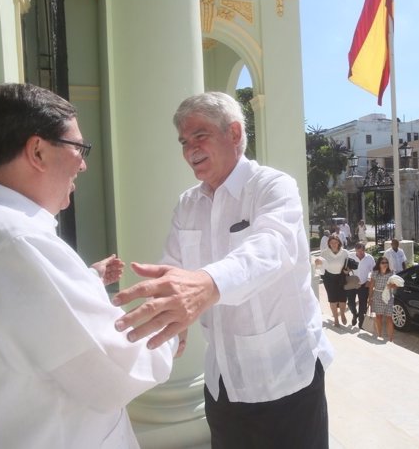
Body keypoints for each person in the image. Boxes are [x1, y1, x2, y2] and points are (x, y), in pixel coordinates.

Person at [0, 83, 182, 449]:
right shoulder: (14, 242)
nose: (83, 164)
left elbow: (20, 320)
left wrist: (87, 280)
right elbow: (117, 372)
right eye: (78, 149)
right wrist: (173, 316)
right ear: (37, 151)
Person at [111, 91, 333, 448]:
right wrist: (173, 313)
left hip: (288, 379)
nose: (189, 150)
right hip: (223, 384)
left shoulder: (273, 186)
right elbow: (174, 266)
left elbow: (272, 248)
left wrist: (207, 283)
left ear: (233, 133)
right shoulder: (188, 203)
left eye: (200, 136)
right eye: (184, 141)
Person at [317, 233, 350, 327]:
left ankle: (342, 314)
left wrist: (347, 271)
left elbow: (349, 265)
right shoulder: (324, 253)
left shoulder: (345, 253)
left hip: (341, 277)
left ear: (339, 243)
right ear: (329, 244)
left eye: (336, 242)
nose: (334, 244)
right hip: (329, 278)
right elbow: (319, 266)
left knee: (342, 298)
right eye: (332, 243)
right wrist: (317, 262)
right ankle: (336, 319)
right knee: (333, 299)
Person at [368, 257, 398, 342]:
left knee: (389, 318)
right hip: (377, 296)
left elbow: (397, 285)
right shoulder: (375, 273)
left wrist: (391, 286)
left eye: (386, 262)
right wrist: (369, 298)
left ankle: (391, 339)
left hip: (388, 296)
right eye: (383, 263)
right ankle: (379, 335)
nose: (385, 264)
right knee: (378, 317)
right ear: (379, 264)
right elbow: (371, 286)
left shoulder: (391, 273)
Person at [348, 242, 375, 328]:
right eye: (358, 251)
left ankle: (361, 321)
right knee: (351, 304)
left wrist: (369, 279)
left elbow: (373, 271)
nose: (360, 253)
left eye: (362, 251)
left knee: (363, 304)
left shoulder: (369, 258)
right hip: (352, 284)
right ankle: (354, 314)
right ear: (355, 250)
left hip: (364, 284)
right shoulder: (350, 256)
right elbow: (345, 267)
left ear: (364, 250)